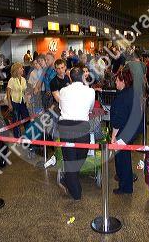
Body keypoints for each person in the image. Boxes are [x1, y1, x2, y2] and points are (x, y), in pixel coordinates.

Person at [57, 67, 95, 200]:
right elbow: (90, 108)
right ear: (83, 77)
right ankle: (76, 194)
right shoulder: (90, 91)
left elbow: (61, 107)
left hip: (65, 126)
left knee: (70, 159)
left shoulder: (63, 90)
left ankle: (68, 179)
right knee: (80, 157)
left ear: (71, 78)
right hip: (82, 127)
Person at [110, 68, 143, 195]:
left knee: (122, 159)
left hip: (124, 131)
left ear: (123, 81)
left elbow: (118, 120)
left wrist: (113, 137)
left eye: (117, 81)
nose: (116, 83)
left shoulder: (122, 97)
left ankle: (125, 187)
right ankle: (125, 181)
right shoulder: (132, 92)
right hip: (134, 128)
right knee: (125, 157)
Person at [6, 63, 29, 138]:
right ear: (16, 70)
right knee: (16, 122)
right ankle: (17, 139)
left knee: (26, 120)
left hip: (23, 102)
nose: (23, 69)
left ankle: (28, 137)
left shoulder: (23, 79)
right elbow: (8, 93)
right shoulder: (11, 80)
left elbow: (25, 92)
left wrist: (28, 102)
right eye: (21, 68)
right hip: (14, 103)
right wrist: (9, 104)